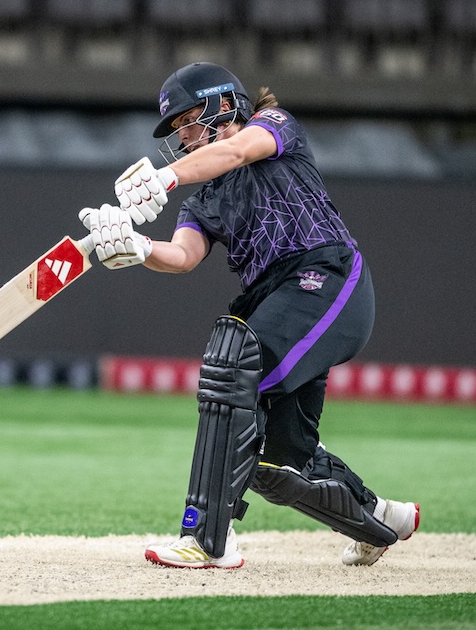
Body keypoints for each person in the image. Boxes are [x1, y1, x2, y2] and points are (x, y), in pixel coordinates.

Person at [78, 62, 419, 569]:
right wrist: (135, 245)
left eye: (191, 121)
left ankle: (208, 538)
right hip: (276, 298)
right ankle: (381, 520)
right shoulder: (207, 197)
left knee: (234, 365)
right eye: (177, 133)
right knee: (278, 462)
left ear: (225, 103)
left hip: (328, 280)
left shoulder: (274, 124)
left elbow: (237, 150)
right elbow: (183, 255)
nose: (186, 138)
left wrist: (166, 176)